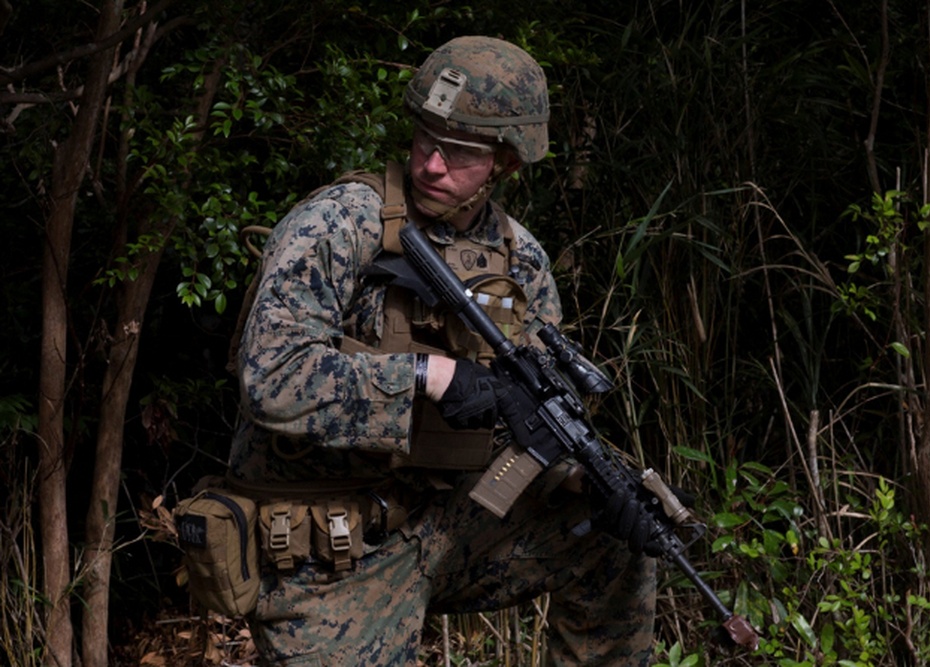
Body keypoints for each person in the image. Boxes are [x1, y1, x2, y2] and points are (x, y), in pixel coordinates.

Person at [227, 35, 657, 666]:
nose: (431, 164)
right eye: (426, 139)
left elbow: (527, 418)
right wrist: (426, 374)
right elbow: (270, 377)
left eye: (460, 153)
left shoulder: (522, 261)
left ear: (507, 163)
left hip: (449, 523)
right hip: (332, 543)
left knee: (614, 539)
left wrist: (585, 478)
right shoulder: (339, 224)